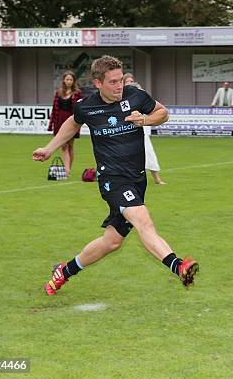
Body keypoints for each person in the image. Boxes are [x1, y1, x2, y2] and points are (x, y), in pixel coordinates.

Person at [32, 55, 198, 295]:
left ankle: (64, 271)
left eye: (120, 80)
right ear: (98, 83)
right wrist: (49, 148)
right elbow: (72, 122)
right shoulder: (87, 106)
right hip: (113, 180)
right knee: (143, 220)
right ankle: (178, 265)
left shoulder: (135, 96)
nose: (119, 86)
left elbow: (163, 113)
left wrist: (145, 119)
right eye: (112, 82)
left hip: (137, 179)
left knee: (112, 242)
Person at [123, 73, 166, 185]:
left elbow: (158, 111)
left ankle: (157, 178)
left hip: (140, 130)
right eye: (127, 82)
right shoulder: (119, 97)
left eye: (131, 81)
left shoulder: (139, 95)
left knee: (149, 152)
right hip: (124, 132)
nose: (130, 84)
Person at [47, 71, 82, 177]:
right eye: (67, 79)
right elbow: (54, 108)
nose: (69, 81)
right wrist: (51, 124)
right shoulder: (58, 92)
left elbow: (78, 108)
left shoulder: (77, 93)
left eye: (71, 79)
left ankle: (68, 169)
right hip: (59, 121)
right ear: (63, 80)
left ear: (74, 81)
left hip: (71, 121)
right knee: (63, 146)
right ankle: (66, 171)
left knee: (70, 146)